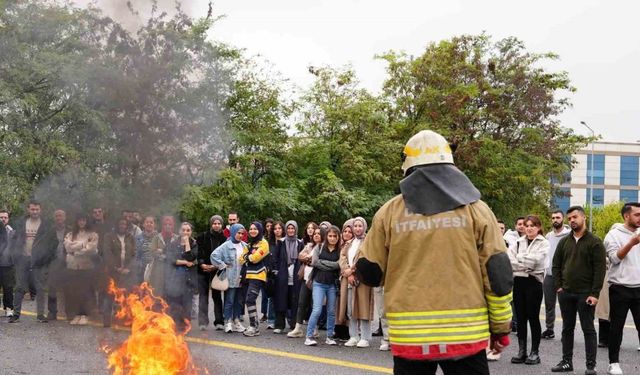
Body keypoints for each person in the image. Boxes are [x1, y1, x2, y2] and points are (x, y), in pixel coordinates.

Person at [355, 130, 513, 375]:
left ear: (407, 167)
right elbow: (497, 275)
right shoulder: (477, 210)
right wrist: (500, 328)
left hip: (410, 338)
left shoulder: (389, 212)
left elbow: (369, 271)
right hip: (465, 335)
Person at [551, 206, 606, 374]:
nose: (572, 220)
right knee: (567, 329)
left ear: (583, 218)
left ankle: (591, 366)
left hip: (586, 294)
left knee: (588, 329)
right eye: (569, 218)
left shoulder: (595, 242)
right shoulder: (564, 242)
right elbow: (556, 265)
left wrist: (595, 294)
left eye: (575, 217)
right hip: (566, 293)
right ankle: (567, 362)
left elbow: (600, 270)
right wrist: (559, 287)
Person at [602, 202, 640, 375]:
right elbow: (614, 258)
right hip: (620, 287)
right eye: (637, 214)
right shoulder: (613, 235)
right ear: (626, 216)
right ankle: (614, 363)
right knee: (616, 327)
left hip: (639, 287)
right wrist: (632, 242)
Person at [508, 215, 549, 365]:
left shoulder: (544, 243)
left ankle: (534, 352)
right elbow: (509, 261)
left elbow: (536, 262)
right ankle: (522, 351)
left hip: (534, 283)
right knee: (520, 318)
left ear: (538, 227)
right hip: (518, 282)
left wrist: (519, 261)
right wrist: (524, 261)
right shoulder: (518, 243)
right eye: (527, 225)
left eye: (533, 225)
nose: (529, 228)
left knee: (533, 317)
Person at [10, 200, 58, 323]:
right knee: (19, 287)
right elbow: (14, 240)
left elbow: (54, 243)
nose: (35, 211)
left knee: (40, 288)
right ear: (28, 209)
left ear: (40, 210)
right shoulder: (22, 223)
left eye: (37, 209)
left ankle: (40, 315)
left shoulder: (46, 225)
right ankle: (16, 315)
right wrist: (15, 255)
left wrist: (45, 258)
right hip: (23, 259)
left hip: (39, 261)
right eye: (32, 209)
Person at [339, 217, 374, 348]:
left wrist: (352, 271)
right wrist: (346, 271)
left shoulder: (368, 242)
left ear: (364, 227)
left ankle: (365, 337)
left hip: (363, 278)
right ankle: (353, 335)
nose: (358, 228)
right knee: (350, 307)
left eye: (360, 226)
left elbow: (364, 259)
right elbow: (342, 257)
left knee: (363, 307)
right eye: (356, 226)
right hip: (348, 279)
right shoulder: (349, 243)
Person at [305, 225, 342, 346]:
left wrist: (324, 263)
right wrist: (332, 265)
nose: (332, 238)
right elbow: (315, 262)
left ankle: (330, 336)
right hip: (319, 282)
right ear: (326, 237)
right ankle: (309, 336)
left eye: (334, 236)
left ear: (338, 237)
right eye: (330, 236)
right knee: (317, 310)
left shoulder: (340, 250)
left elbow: (339, 265)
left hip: (332, 284)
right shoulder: (319, 247)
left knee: (331, 311)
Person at [287, 226, 324, 338]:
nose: (316, 235)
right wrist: (309, 259)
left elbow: (318, 261)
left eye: (319, 233)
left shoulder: (324, 247)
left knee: (315, 305)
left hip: (317, 279)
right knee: (301, 302)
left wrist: (309, 259)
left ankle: (315, 329)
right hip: (305, 277)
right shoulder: (309, 245)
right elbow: (300, 256)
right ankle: (298, 328)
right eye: (315, 233)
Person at [63, 214, 99, 325]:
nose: (82, 222)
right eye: (80, 220)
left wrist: (76, 250)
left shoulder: (93, 235)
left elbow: (91, 249)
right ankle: (77, 314)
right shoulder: (70, 234)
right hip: (73, 266)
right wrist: (83, 245)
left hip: (86, 267)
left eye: (84, 220)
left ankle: (85, 315)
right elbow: (67, 247)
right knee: (75, 292)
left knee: (86, 292)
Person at [211, 223, 247, 333]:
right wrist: (223, 265)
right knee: (229, 300)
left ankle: (236, 321)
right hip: (230, 277)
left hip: (241, 278)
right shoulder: (226, 245)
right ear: (233, 232)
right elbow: (214, 255)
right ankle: (227, 322)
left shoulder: (245, 246)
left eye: (242, 233)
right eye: (238, 233)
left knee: (238, 301)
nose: (240, 235)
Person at [542, 210, 571, 340]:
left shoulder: (569, 235)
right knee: (549, 304)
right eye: (553, 218)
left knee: (565, 305)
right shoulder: (548, 236)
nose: (555, 220)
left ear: (563, 219)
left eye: (558, 217)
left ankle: (566, 332)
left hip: (564, 276)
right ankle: (549, 329)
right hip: (549, 275)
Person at [164, 222, 198, 331]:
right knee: (175, 304)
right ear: (179, 231)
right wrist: (184, 262)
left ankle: (185, 327)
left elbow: (191, 257)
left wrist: (187, 243)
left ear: (191, 232)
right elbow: (170, 259)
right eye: (183, 230)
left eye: (188, 230)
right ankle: (174, 325)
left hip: (189, 279)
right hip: (175, 279)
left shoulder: (194, 244)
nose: (185, 232)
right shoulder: (173, 244)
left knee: (187, 305)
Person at [102, 217, 136, 327]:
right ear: (117, 225)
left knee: (128, 297)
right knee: (109, 296)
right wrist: (116, 268)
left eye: (125, 224)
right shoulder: (108, 236)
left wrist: (128, 268)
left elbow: (134, 254)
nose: (122, 226)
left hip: (127, 273)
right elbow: (107, 253)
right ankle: (106, 321)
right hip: (112, 272)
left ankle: (127, 321)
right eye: (121, 223)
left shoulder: (130, 237)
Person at [272, 220, 304, 333]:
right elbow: (275, 258)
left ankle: (294, 324)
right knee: (281, 299)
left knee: (295, 300)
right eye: (289, 228)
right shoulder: (281, 242)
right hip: (283, 275)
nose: (290, 230)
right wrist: (276, 271)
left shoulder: (300, 243)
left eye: (293, 228)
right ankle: (279, 325)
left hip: (296, 275)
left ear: (296, 229)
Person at [239, 221, 270, 337]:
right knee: (248, 300)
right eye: (251, 229)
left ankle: (254, 327)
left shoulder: (264, 243)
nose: (252, 231)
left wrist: (248, 257)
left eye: (255, 229)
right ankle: (254, 325)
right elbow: (240, 259)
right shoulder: (249, 244)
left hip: (258, 275)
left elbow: (256, 258)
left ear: (260, 230)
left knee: (250, 299)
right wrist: (249, 257)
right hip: (248, 275)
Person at [196, 215, 226, 331]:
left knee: (217, 296)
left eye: (218, 223)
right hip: (203, 269)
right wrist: (202, 264)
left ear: (221, 225)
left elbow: (225, 256)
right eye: (214, 223)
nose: (216, 225)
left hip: (217, 270)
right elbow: (198, 252)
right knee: (203, 296)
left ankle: (219, 321)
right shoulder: (203, 236)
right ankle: (203, 322)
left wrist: (215, 266)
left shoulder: (224, 239)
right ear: (211, 224)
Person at [47, 209, 69, 321]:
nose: (58, 218)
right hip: (54, 262)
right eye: (56, 216)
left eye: (61, 216)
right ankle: (52, 312)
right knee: (52, 288)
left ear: (65, 217)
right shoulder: (50, 231)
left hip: (68, 263)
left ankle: (69, 312)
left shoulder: (70, 230)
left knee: (69, 288)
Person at [135, 216, 163, 287]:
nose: (149, 224)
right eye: (147, 222)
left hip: (155, 268)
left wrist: (158, 251)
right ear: (143, 224)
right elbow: (135, 254)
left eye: (151, 222)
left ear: (154, 225)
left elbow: (163, 251)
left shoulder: (159, 237)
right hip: (140, 268)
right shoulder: (138, 237)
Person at [0, 210, 15, 317]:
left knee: (8, 287)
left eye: (5, 217)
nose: (3, 219)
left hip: (7, 264)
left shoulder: (12, 232)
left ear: (8, 219)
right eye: (1, 217)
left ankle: (9, 308)